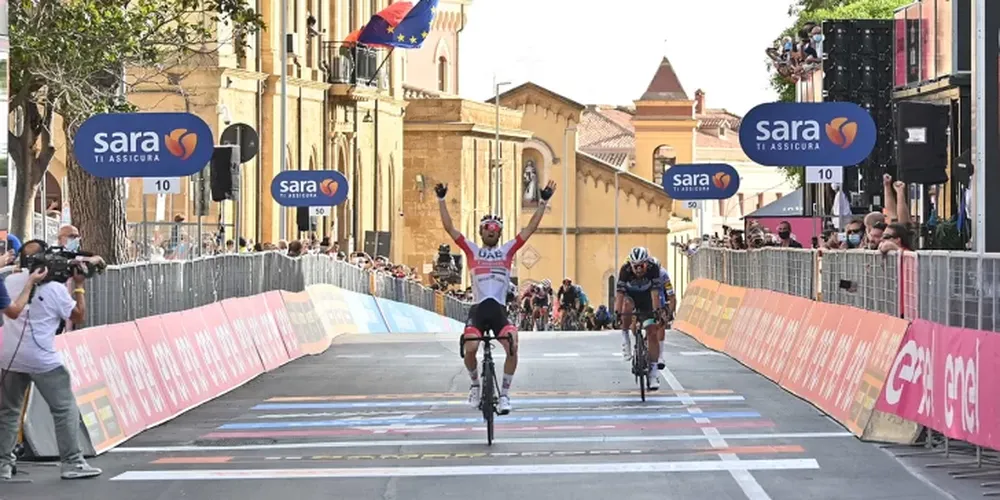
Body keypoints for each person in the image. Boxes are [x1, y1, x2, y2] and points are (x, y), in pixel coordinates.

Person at [436, 179, 557, 415]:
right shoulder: (471, 250)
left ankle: (504, 395)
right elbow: (450, 229)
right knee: (470, 347)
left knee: (513, 345)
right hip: (479, 310)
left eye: (495, 230)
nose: (491, 232)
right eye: (487, 229)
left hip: (499, 310)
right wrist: (441, 200)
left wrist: (543, 202)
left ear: (500, 233)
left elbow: (530, 229)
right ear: (481, 232)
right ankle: (474, 385)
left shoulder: (507, 251)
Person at [0, 240, 102, 480]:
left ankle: (3, 464)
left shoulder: (9, 281)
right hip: (44, 360)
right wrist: (78, 286)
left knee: (8, 412)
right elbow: (78, 315)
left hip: (10, 358)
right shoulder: (55, 290)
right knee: (65, 408)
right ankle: (73, 462)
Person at [614, 246, 665, 390]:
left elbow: (655, 294)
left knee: (651, 333)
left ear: (647, 264)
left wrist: (656, 312)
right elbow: (619, 296)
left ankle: (654, 373)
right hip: (632, 297)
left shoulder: (653, 269)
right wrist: (617, 313)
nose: (638, 269)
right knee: (626, 306)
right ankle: (625, 337)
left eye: (641, 266)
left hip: (647, 300)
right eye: (635, 266)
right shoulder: (625, 271)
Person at [649, 256, 677, 369]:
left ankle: (660, 355)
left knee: (661, 324)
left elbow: (671, 295)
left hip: (660, 297)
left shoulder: (663, 274)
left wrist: (670, 312)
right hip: (645, 297)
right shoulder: (644, 274)